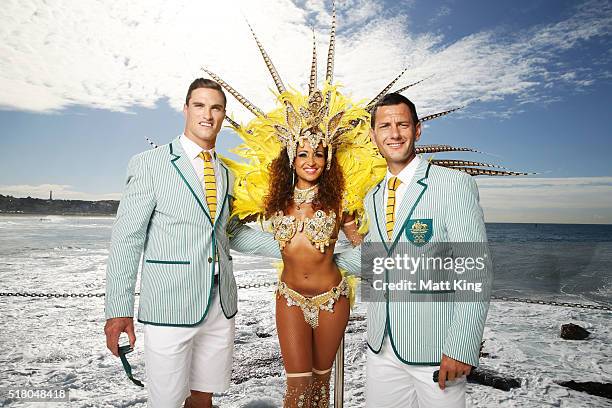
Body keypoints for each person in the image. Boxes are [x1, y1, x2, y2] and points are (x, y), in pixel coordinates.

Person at [104, 78, 280, 408]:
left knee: (203, 398)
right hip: (168, 305)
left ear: (224, 115)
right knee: (167, 402)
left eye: (216, 108)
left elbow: (231, 233)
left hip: (219, 305)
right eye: (199, 105)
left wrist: (291, 248)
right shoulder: (150, 165)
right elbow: (127, 240)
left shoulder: (229, 173)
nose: (207, 115)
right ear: (185, 109)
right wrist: (118, 310)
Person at [336, 92, 491, 408]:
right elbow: (377, 260)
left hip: (436, 352)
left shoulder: (453, 184)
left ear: (417, 130)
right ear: (373, 135)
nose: (394, 134)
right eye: (385, 126)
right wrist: (311, 258)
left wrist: (462, 346)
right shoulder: (373, 196)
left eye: (402, 124)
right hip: (381, 348)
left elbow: (475, 269)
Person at [262, 91, 364, 408]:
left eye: (318, 155)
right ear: (291, 157)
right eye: (303, 154)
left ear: (328, 159)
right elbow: (233, 226)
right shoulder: (274, 201)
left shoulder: (342, 202)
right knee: (297, 385)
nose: (311, 162)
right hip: (289, 297)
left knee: (321, 383)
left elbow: (364, 248)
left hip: (332, 299)